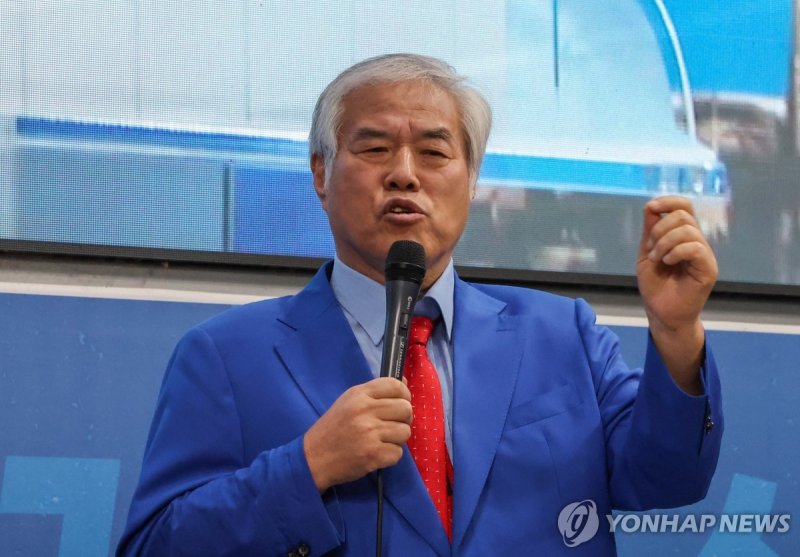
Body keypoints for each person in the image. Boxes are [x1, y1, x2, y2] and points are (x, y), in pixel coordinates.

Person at [118, 54, 722, 556]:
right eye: (375, 148)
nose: (405, 174)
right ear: (321, 175)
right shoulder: (225, 356)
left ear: (472, 178)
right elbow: (155, 547)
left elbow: (669, 479)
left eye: (434, 153)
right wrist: (308, 466)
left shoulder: (563, 334)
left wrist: (676, 332)